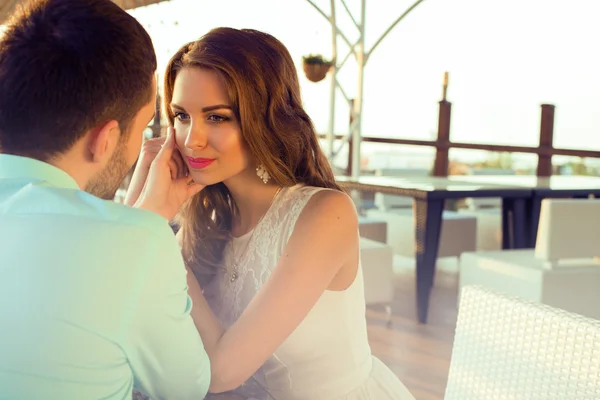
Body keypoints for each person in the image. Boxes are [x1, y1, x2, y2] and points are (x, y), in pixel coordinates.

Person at [145, 27, 415, 399]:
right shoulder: (203, 221)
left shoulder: (324, 215)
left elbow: (222, 372)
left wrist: (150, 228)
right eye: (182, 116)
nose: (192, 139)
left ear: (265, 118)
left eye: (217, 117)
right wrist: (140, 210)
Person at [0, 1, 210, 399]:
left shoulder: (130, 242)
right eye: (146, 123)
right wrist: (145, 231)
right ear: (105, 139)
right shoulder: (136, 244)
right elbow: (185, 387)